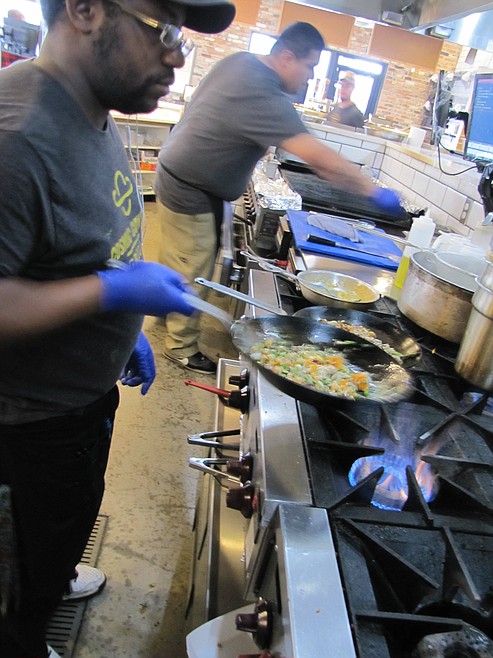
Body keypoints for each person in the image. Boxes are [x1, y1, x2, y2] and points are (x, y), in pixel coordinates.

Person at [0, 0, 235, 656]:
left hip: (79, 405)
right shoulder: (16, 136)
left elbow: (73, 246)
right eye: (165, 30)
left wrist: (119, 324)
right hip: (27, 430)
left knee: (62, 529)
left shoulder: (92, 109)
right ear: (84, 9)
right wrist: (110, 292)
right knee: (20, 574)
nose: (178, 55)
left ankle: (49, 574)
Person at [155, 22, 402, 375]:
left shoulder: (242, 62)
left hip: (179, 172)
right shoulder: (263, 93)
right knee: (192, 268)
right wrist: (373, 192)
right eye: (309, 66)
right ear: (287, 57)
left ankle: (163, 311)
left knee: (178, 260)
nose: (310, 77)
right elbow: (319, 159)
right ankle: (180, 347)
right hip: (190, 187)